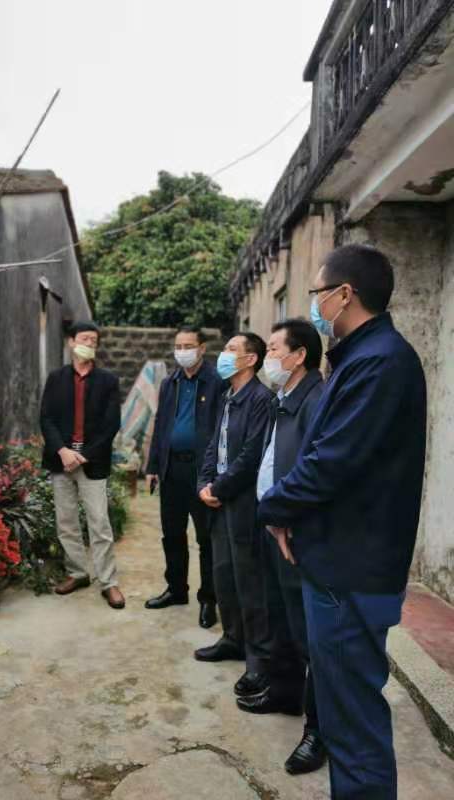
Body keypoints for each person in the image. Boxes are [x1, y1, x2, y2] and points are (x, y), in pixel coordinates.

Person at [258, 244, 427, 800]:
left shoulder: (380, 361)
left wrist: (274, 508)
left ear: (344, 294)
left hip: (350, 570)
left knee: (352, 722)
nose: (313, 304)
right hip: (337, 561)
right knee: (341, 711)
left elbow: (330, 462)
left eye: (316, 293)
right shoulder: (359, 357)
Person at [236, 318, 327, 777]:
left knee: (311, 638)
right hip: (272, 524)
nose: (268, 356)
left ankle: (318, 731)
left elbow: (314, 469)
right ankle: (286, 693)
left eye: (274, 349)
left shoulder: (316, 399)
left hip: (294, 533)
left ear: (299, 355)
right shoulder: (284, 398)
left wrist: (286, 517)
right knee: (283, 619)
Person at [195, 333, 272, 696]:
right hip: (220, 500)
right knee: (223, 574)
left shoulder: (261, 400)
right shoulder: (228, 396)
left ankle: (257, 659)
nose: (223, 355)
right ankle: (232, 638)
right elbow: (215, 445)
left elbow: (251, 456)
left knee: (249, 581)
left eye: (230, 350)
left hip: (243, 503)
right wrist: (204, 483)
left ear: (250, 359)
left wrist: (219, 488)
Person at [40, 321, 125, 610]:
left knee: (99, 523)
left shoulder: (107, 381)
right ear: (71, 342)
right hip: (61, 460)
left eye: (93, 340)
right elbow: (46, 418)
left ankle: (108, 582)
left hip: (92, 462)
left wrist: (83, 455)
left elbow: (111, 424)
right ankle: (77, 573)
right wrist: (63, 451)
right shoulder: (56, 379)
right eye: (84, 338)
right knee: (66, 522)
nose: (89, 343)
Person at [145, 326, 224, 628]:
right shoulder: (170, 383)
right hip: (172, 470)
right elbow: (161, 425)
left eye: (188, 345)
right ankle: (176, 590)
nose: (182, 351)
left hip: (202, 472)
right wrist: (153, 467)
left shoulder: (217, 382)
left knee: (206, 539)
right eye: (178, 346)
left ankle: (209, 600)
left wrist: (216, 475)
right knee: (172, 534)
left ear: (202, 348)